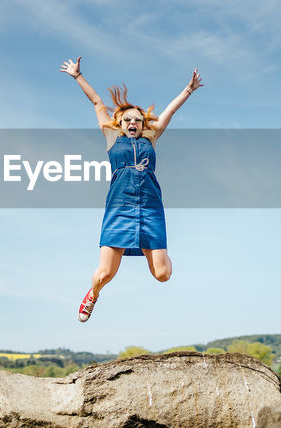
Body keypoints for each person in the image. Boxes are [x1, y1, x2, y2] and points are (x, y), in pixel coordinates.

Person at [59, 57, 203, 322]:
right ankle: (92, 295)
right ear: (121, 123)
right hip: (120, 207)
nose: (133, 122)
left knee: (162, 275)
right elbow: (97, 103)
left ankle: (165, 252)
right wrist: (78, 76)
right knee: (105, 274)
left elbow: (169, 112)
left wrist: (188, 90)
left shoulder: (151, 136)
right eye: (127, 120)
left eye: (137, 119)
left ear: (142, 123)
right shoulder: (112, 137)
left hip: (150, 206)